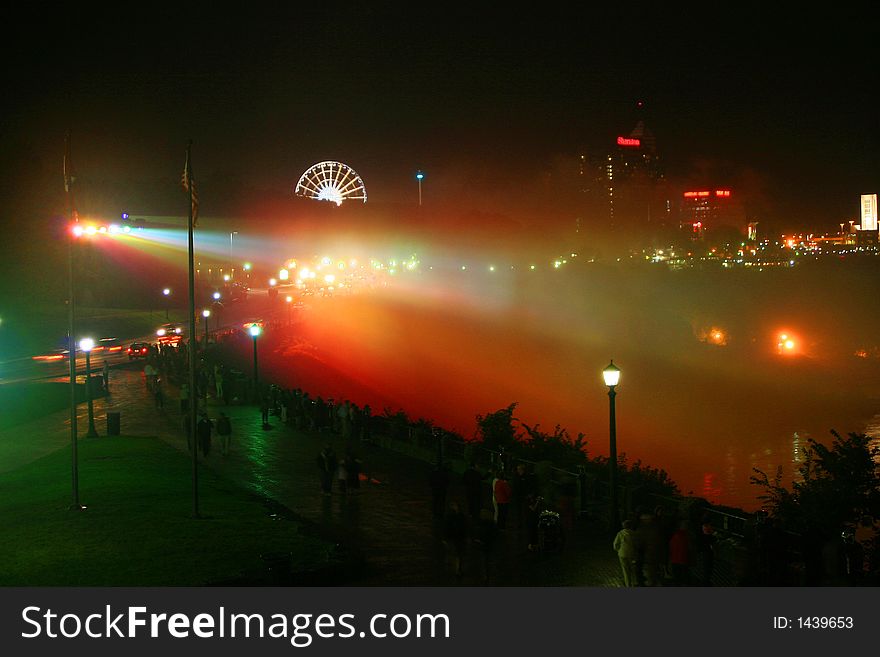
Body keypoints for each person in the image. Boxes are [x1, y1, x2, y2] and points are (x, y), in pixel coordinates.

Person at [443, 501, 468, 576]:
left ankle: (457, 569)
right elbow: (447, 527)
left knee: (458, 554)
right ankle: (456, 568)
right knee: (456, 553)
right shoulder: (451, 516)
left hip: (458, 537)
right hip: (454, 537)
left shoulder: (459, 516)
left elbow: (465, 527)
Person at [613, 519, 639, 587]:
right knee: (632, 569)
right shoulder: (634, 534)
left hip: (622, 554)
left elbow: (615, 544)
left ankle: (628, 584)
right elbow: (636, 544)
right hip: (631, 554)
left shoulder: (620, 533)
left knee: (625, 570)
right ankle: (634, 583)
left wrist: (618, 550)